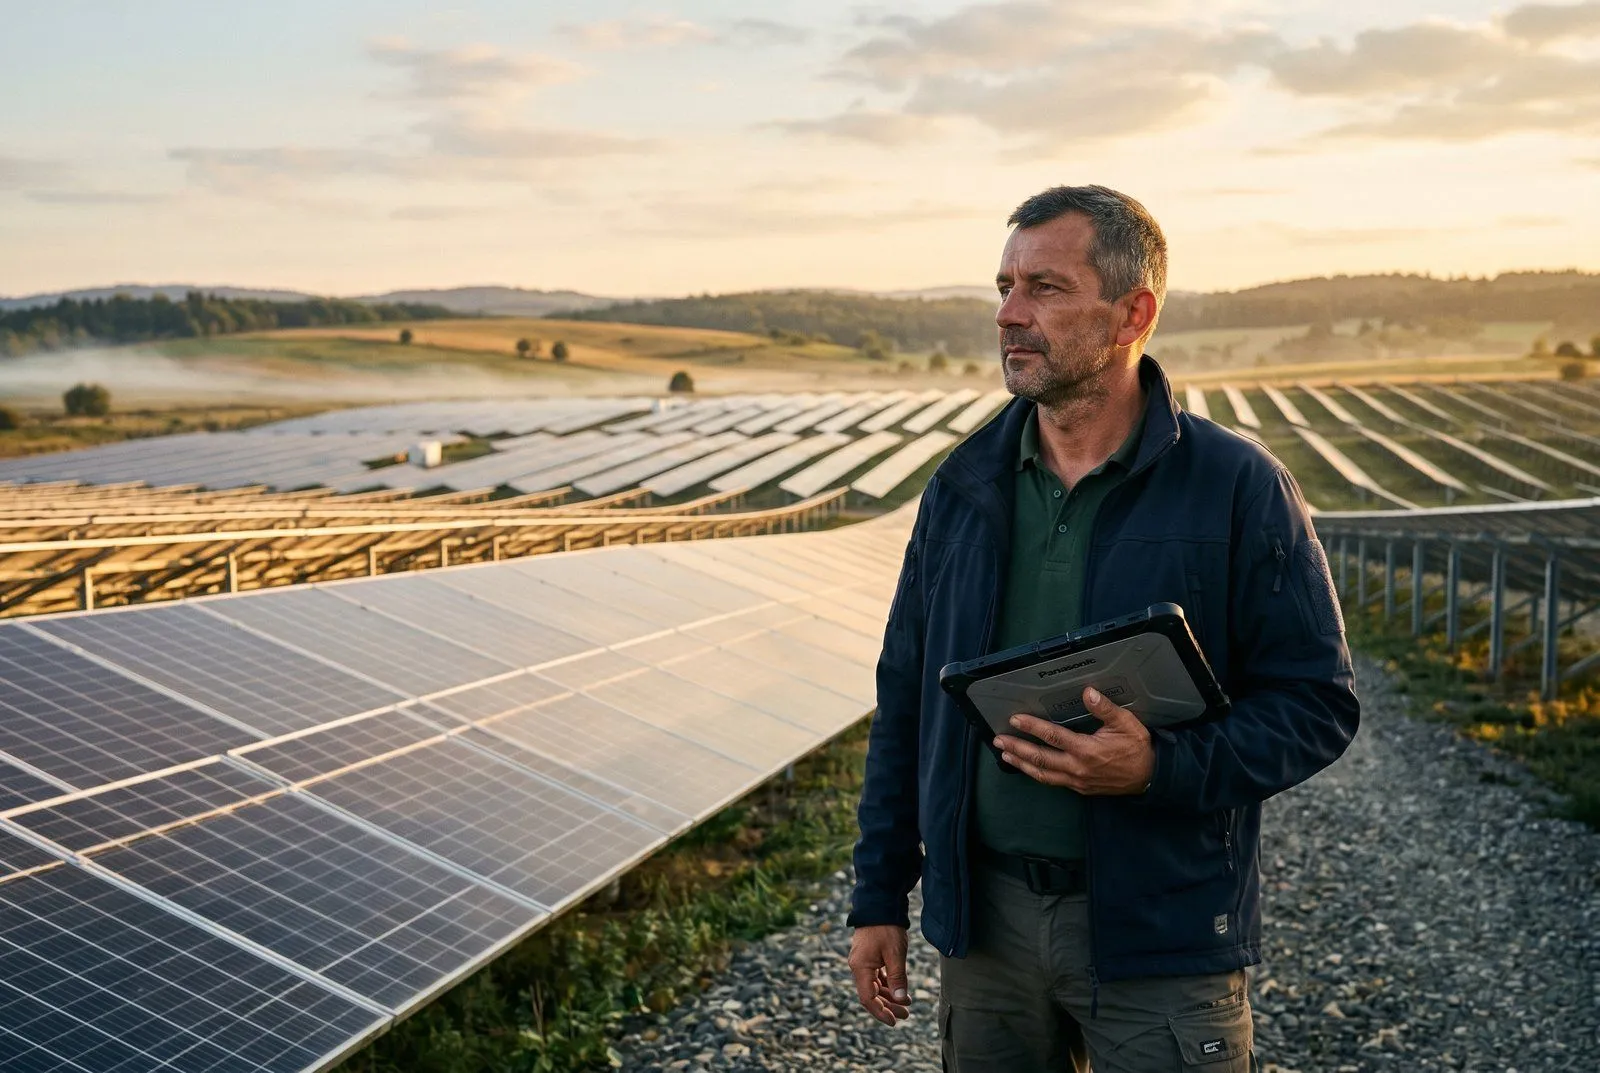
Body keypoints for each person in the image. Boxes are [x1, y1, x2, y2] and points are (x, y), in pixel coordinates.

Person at [845, 185, 1360, 1072]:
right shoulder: (963, 487)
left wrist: (1158, 766)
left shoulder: (1237, 486)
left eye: (1044, 287)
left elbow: (1316, 704)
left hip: (1160, 928)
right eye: (1004, 286)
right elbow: (904, 702)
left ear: (1133, 313)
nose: (1008, 314)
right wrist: (878, 893)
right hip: (989, 932)